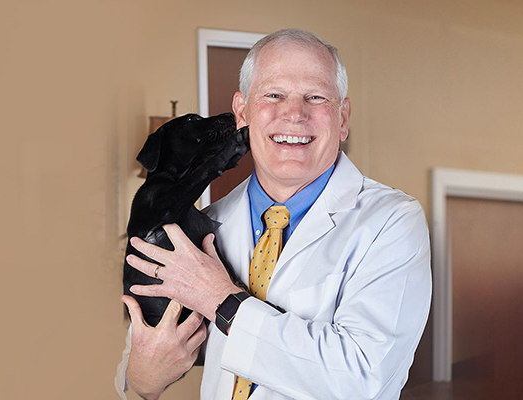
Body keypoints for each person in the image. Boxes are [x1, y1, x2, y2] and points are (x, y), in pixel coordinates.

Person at [116, 28, 432, 400]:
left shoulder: (392, 222)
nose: (294, 114)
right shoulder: (201, 227)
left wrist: (219, 299)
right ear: (242, 112)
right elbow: (136, 372)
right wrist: (143, 375)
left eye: (315, 97)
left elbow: (362, 377)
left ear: (343, 117)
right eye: (273, 95)